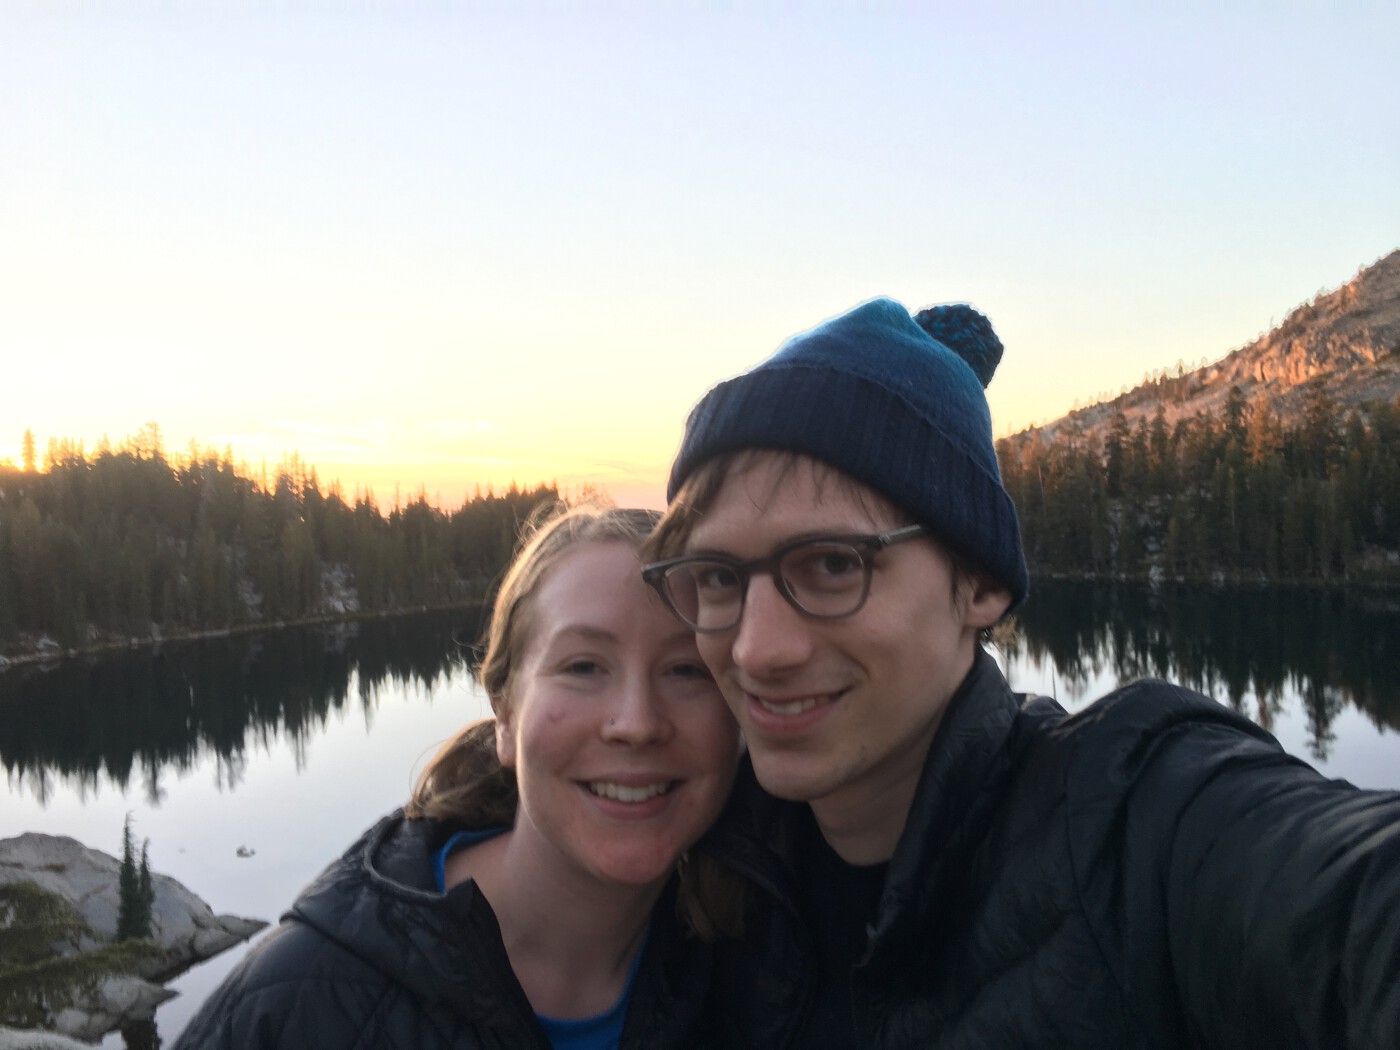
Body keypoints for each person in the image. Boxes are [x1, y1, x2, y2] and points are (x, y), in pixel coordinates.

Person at [642, 298, 1400, 1048]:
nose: (756, 650)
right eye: (718, 577)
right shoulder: (702, 860)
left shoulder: (1129, 821)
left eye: (835, 564)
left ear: (978, 583)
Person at [175, 504, 744, 1049]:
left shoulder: (757, 970)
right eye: (584, 666)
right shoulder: (300, 1004)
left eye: (687, 670)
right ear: (505, 713)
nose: (638, 723)